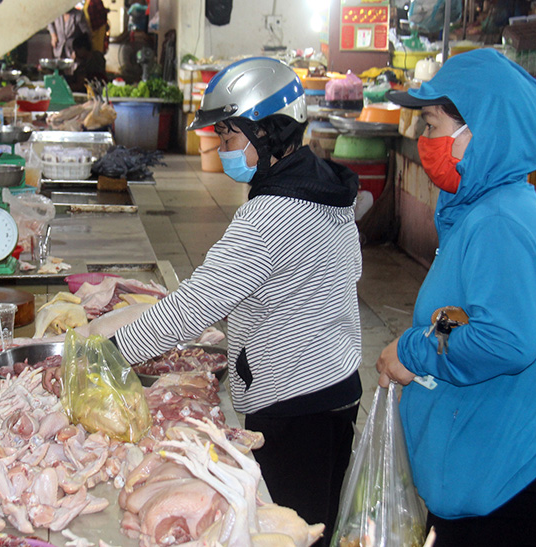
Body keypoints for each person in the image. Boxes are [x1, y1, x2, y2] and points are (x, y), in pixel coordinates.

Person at [88, 57, 363, 546]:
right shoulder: (320, 188)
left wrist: (106, 356)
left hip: (295, 404)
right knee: (306, 526)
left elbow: (195, 306)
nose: (222, 149)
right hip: (330, 387)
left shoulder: (274, 214)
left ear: (269, 134)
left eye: (231, 138)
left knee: (289, 533)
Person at [377, 49, 536, 546]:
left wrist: (413, 351)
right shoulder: (472, 211)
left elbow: (505, 340)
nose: (424, 140)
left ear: (483, 132)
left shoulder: (500, 223)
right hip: (468, 483)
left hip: (501, 495)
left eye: (433, 125)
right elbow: (460, 321)